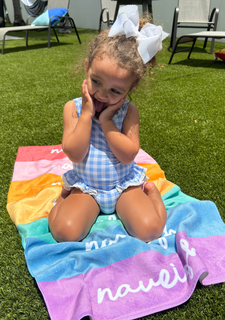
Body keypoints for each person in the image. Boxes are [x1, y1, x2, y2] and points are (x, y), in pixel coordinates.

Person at [49, 5, 169, 243]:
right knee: (65, 232)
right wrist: (87, 115)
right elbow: (74, 153)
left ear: (131, 88)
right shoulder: (73, 108)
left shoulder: (128, 112)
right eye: (96, 81)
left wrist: (106, 122)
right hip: (87, 187)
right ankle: (63, 197)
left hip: (125, 185)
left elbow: (127, 156)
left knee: (151, 230)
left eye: (115, 90)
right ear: (86, 68)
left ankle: (153, 194)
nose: (102, 95)